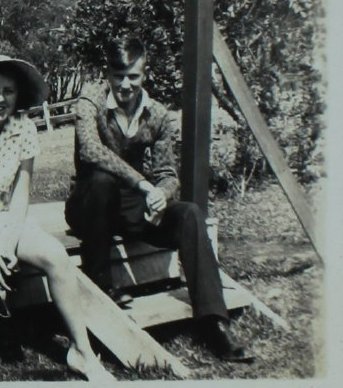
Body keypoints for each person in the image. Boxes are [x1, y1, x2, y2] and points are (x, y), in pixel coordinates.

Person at [65, 36, 252, 362]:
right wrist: (142, 184)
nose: (125, 84)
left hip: (129, 205)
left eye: (133, 76)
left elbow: (167, 173)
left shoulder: (159, 115)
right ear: (107, 73)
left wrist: (162, 195)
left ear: (144, 74)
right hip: (89, 202)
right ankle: (101, 291)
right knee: (101, 180)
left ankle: (212, 324)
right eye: (118, 74)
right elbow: (90, 151)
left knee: (190, 214)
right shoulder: (90, 101)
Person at [0, 55, 114, 381]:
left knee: (56, 255)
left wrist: (7, 243)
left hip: (4, 216)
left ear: (18, 96)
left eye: (9, 91)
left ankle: (83, 353)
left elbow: (20, 196)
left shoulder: (24, 130)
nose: (1, 99)